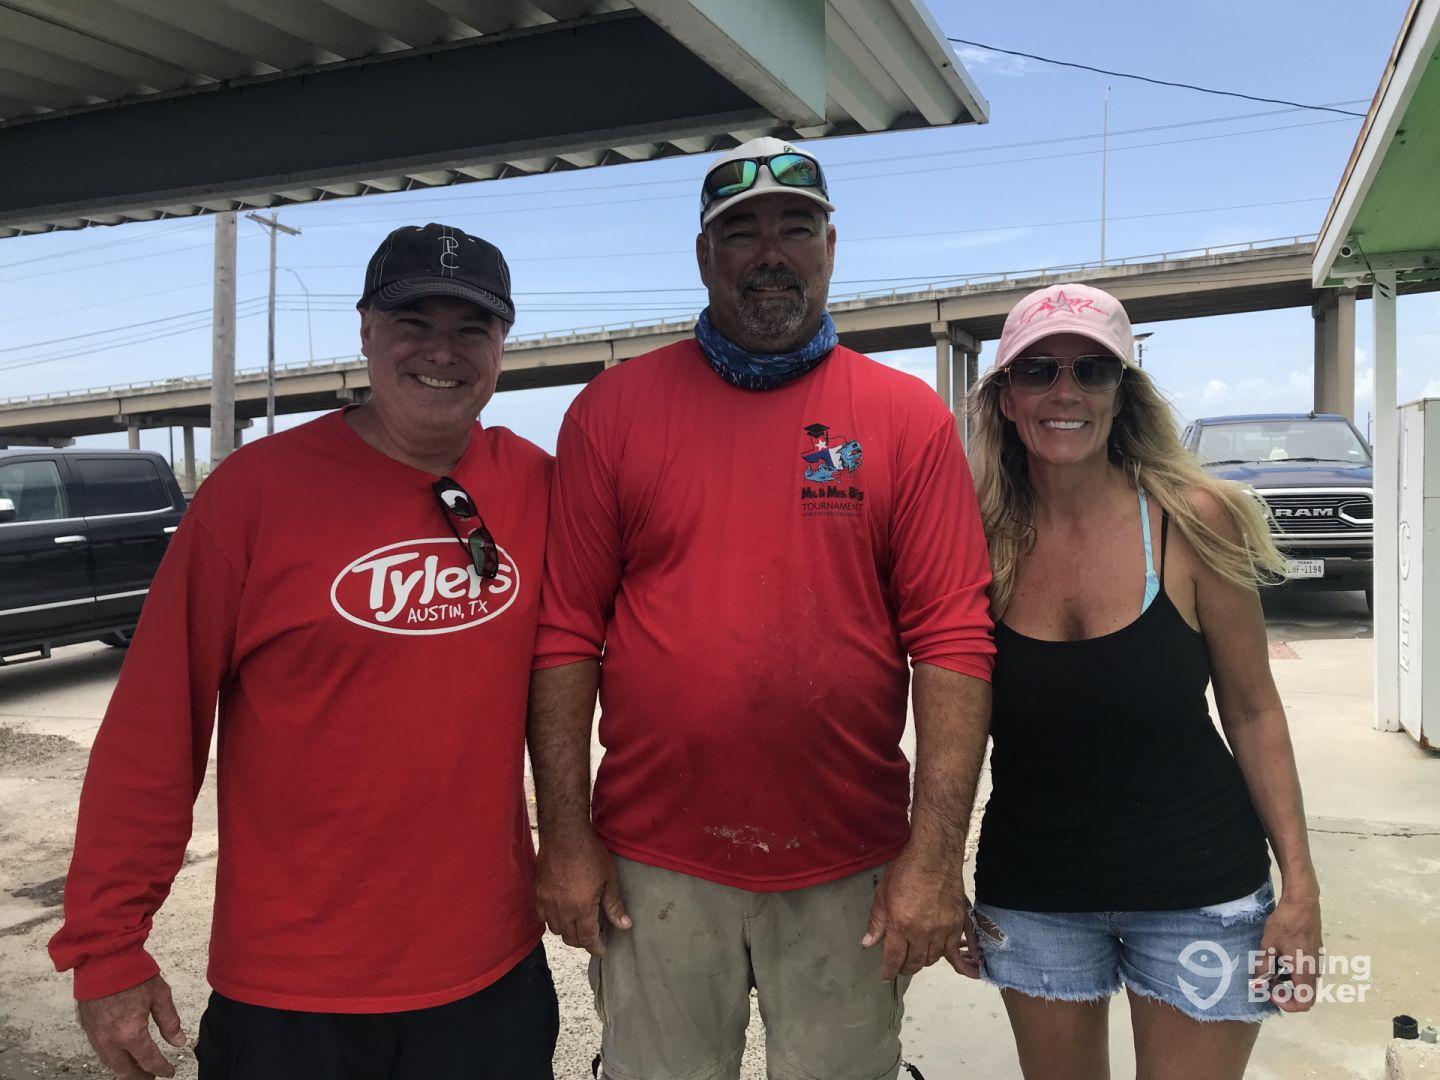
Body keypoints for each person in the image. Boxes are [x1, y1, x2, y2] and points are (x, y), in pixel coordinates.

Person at [527, 136, 995, 1080]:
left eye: (795, 227)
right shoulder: (611, 412)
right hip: (654, 861)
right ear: (705, 256)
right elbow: (566, 632)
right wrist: (567, 839)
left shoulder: (906, 417)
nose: (769, 251)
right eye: (740, 233)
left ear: (831, 244)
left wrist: (936, 860)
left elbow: (952, 638)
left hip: (849, 862)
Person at [48, 223, 559, 1080]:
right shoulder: (252, 496)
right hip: (293, 994)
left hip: (490, 977)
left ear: (502, 345)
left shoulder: (540, 487)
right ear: (364, 332)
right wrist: (106, 944)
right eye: (413, 323)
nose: (442, 352)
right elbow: (155, 732)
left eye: (471, 328)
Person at [965, 282, 1323, 1079]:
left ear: (1122, 393)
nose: (1066, 392)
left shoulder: (1193, 519)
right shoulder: (973, 540)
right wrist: (932, 871)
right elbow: (945, 718)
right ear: (1005, 399)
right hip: (1034, 893)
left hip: (1202, 889)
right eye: (1038, 371)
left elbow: (1255, 711)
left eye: (1093, 370)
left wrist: (1299, 888)